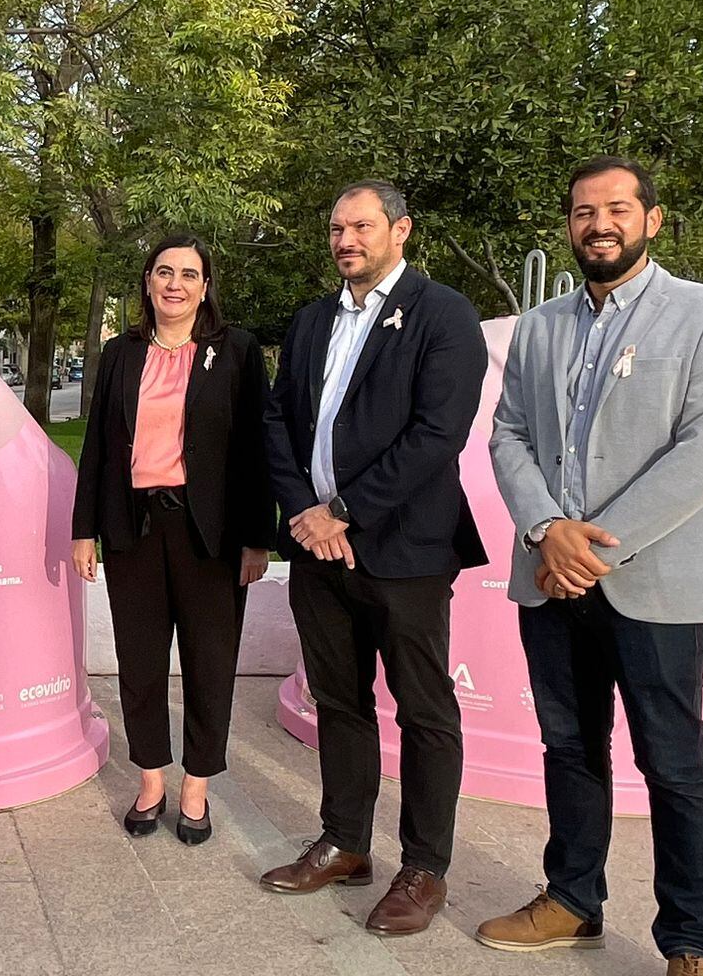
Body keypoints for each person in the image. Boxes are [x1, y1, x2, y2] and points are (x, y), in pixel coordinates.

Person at [481, 157, 703, 976]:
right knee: (569, 747)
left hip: (654, 584)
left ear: (653, 220)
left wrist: (592, 549)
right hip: (548, 578)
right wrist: (544, 530)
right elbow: (508, 435)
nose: (599, 224)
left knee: (673, 762)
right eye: (583, 212)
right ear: (567, 225)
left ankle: (691, 941)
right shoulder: (540, 324)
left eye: (618, 209)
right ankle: (571, 900)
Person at [259, 180, 487, 936]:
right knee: (340, 702)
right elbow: (278, 424)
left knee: (424, 713)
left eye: (360, 225)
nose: (345, 239)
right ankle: (345, 844)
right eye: (335, 228)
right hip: (317, 550)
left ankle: (424, 869)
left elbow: (437, 435)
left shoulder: (443, 314)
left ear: (401, 230)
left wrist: (344, 511)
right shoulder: (312, 319)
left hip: (405, 551)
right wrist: (304, 512)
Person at [71, 235, 271, 846]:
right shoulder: (120, 354)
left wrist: (258, 539)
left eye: (189, 273)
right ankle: (152, 779)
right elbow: (99, 448)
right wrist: (85, 529)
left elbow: (255, 452)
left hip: (208, 535)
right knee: (140, 661)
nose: (175, 283)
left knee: (210, 662)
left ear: (205, 287)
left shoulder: (235, 352)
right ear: (148, 283)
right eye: (164, 272)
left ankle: (197, 786)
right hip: (134, 530)